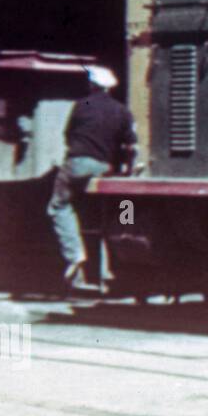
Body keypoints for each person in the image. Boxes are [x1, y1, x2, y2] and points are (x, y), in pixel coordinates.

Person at [47, 66, 137, 290]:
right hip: (104, 166)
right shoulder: (122, 110)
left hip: (78, 164)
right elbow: (130, 144)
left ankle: (75, 254)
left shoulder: (81, 106)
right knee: (107, 214)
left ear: (91, 85)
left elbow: (68, 136)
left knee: (59, 205)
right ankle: (107, 270)